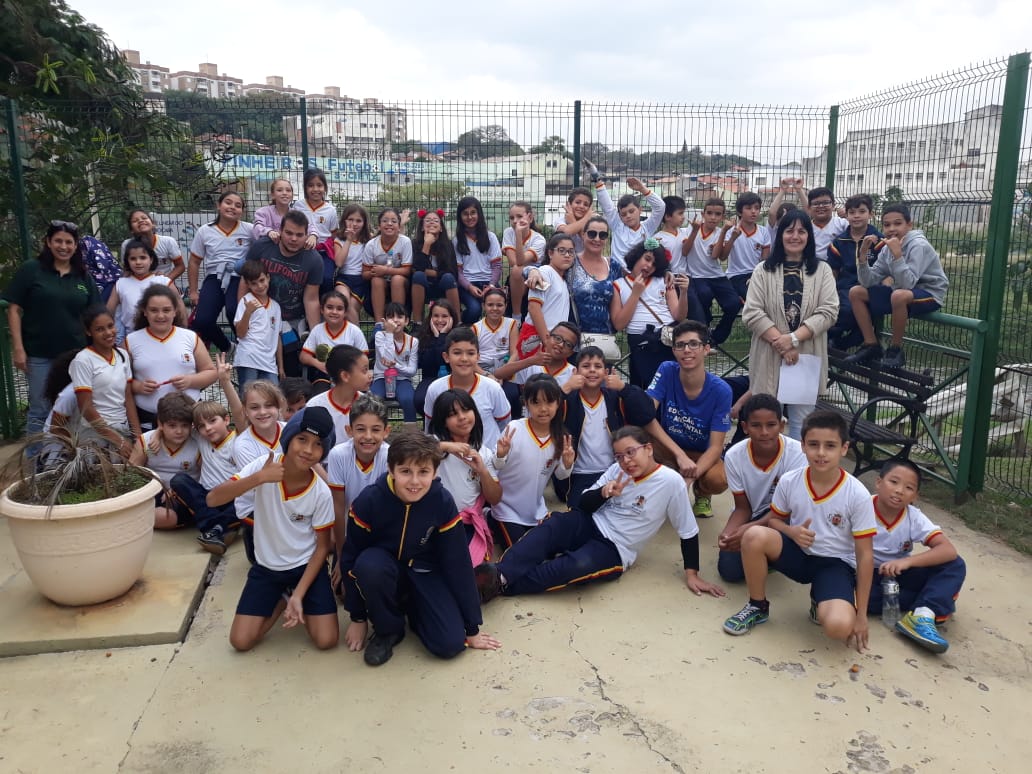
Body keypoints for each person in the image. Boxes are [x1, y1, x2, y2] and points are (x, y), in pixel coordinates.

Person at [475, 426, 725, 601]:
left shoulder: (671, 482)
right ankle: (499, 574)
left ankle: (502, 586)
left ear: (648, 449)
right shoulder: (617, 470)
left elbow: (688, 530)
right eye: (619, 456)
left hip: (616, 546)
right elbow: (584, 505)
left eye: (631, 452)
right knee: (555, 524)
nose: (626, 461)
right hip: (591, 522)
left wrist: (692, 573)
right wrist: (603, 493)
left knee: (574, 566)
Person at [339, 432, 501, 666]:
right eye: (405, 471)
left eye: (423, 472)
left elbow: (457, 563)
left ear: (435, 473)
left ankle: (416, 610)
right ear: (391, 469)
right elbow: (350, 558)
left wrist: (472, 627)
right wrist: (357, 617)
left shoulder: (441, 501)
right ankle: (388, 630)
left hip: (424, 572)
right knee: (369, 566)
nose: (414, 481)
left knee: (450, 644)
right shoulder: (369, 500)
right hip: (385, 570)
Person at [721, 411, 875, 653]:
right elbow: (774, 522)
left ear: (844, 449)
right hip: (798, 552)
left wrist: (862, 615)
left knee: (838, 627)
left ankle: (819, 599)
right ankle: (757, 605)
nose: (821, 452)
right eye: (813, 444)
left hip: (834, 564)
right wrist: (790, 531)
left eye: (830, 446)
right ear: (802, 446)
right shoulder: (790, 480)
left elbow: (865, 556)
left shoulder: (857, 494)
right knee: (753, 535)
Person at [208, 406, 339, 652]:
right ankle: (280, 599)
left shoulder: (320, 492)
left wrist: (300, 595)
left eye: (318, 444)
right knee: (241, 642)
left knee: (326, 640)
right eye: (302, 439)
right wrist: (259, 478)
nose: (308, 450)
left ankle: (294, 595)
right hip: (267, 568)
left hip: (305, 567)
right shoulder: (263, 465)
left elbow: (322, 548)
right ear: (288, 438)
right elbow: (213, 499)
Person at [742, 210, 838, 439]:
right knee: (766, 422)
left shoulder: (822, 270)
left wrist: (793, 339)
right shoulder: (762, 270)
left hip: (805, 355)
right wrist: (783, 345)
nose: (795, 236)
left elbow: (829, 311)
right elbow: (752, 312)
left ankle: (794, 464)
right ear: (780, 235)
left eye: (802, 231)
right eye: (789, 231)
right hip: (769, 354)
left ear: (809, 236)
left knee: (801, 424)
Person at [4, 220, 101, 435]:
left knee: (73, 405)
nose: (63, 246)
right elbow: (13, 309)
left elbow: (95, 315)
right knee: (40, 408)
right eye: (58, 241)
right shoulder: (32, 270)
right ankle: (36, 454)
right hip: (39, 353)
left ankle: (67, 452)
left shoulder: (83, 276)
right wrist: (18, 348)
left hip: (76, 356)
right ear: (48, 242)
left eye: (69, 242)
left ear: (75, 245)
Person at [868, 460, 966, 654]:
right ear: (878, 482)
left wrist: (907, 561)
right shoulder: (861, 507)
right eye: (893, 482)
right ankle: (933, 602)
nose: (899, 491)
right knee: (856, 599)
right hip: (863, 575)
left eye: (909, 488)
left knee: (954, 564)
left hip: (897, 574)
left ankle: (921, 616)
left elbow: (948, 550)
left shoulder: (913, 516)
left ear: (915, 496)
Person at [645, 320, 731, 518]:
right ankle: (657, 487)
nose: (687, 350)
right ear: (674, 350)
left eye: (694, 344)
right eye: (680, 345)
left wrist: (690, 479)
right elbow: (646, 414)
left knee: (719, 479)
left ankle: (702, 493)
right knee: (635, 436)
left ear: (706, 349)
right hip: (669, 447)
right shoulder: (667, 370)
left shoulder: (721, 390)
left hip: (701, 452)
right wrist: (679, 455)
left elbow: (716, 447)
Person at [846, 203, 948, 370]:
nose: (892, 229)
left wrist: (898, 256)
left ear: (909, 225)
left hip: (929, 293)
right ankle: (871, 345)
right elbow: (868, 282)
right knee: (856, 292)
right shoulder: (887, 248)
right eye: (887, 225)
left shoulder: (918, 245)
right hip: (900, 292)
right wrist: (862, 257)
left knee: (898, 295)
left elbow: (908, 284)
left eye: (898, 223)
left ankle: (895, 350)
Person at [717, 394, 807, 583]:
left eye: (771, 425)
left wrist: (750, 528)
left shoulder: (798, 454)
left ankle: (770, 552)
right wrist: (729, 534)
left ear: (782, 426)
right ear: (745, 427)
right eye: (756, 425)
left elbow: (789, 510)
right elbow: (742, 508)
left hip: (788, 519)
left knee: (800, 548)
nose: (764, 432)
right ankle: (767, 554)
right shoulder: (734, 456)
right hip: (758, 515)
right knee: (729, 569)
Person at [559, 346, 655, 508]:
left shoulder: (615, 398)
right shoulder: (568, 400)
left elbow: (647, 412)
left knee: (626, 511)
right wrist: (566, 387)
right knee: (580, 512)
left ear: (606, 373)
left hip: (615, 469)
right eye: (586, 366)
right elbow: (545, 409)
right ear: (575, 371)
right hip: (579, 473)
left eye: (598, 366)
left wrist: (624, 387)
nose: (592, 370)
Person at [169, 358, 248, 555]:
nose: (208, 428)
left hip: (231, 496)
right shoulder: (201, 438)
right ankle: (220, 528)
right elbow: (180, 416)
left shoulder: (239, 438)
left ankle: (214, 529)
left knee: (248, 499)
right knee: (179, 480)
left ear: (226, 419)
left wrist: (224, 381)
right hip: (207, 497)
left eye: (213, 421)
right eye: (202, 426)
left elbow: (239, 412)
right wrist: (156, 434)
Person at [489, 374, 574, 547]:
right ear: (526, 404)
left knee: (551, 548)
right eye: (536, 402)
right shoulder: (514, 429)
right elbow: (495, 466)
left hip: (536, 510)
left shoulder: (560, 437)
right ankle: (488, 517)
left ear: (558, 403)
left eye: (549, 402)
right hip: (506, 509)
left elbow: (561, 475)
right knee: (519, 551)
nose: (543, 409)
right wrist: (500, 454)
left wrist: (567, 463)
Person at [242, 209, 324, 377]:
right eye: (289, 233)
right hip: (262, 315)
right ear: (280, 230)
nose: (293, 239)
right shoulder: (262, 247)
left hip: (293, 317)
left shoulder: (314, 259)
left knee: (292, 364)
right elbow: (245, 281)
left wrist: (316, 334)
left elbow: (311, 299)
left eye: (299, 235)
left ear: (307, 235)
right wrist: (243, 314)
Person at [126, 285, 218, 430]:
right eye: (154, 310)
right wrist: (138, 386)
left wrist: (190, 381)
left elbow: (211, 372)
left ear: (175, 311)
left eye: (166, 310)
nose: (160, 316)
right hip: (148, 421)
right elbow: (118, 381)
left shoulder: (190, 337)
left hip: (189, 418)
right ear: (144, 311)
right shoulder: (130, 341)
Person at [429, 389, 503, 566]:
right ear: (443, 422)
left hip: (465, 524)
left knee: (470, 566)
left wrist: (482, 471)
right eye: (452, 414)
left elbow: (495, 498)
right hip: (434, 523)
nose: (462, 417)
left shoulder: (483, 452)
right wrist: (446, 446)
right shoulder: (433, 446)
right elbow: (410, 450)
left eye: (466, 410)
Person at [611, 238, 689, 389]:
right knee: (645, 388)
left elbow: (679, 316)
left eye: (654, 264)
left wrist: (684, 293)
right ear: (637, 256)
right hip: (641, 343)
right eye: (647, 259)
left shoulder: (664, 280)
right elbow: (619, 324)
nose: (649, 266)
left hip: (667, 339)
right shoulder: (619, 284)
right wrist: (635, 294)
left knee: (672, 385)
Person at [422, 326, 512, 449]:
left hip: (488, 457)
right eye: (457, 353)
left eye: (470, 353)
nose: (464, 359)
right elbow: (430, 427)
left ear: (478, 357)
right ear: (446, 357)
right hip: (449, 455)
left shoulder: (493, 388)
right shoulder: (435, 389)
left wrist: (494, 453)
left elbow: (504, 424)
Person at [325, 394, 392, 558]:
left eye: (375, 430)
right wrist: (341, 554)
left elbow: (389, 508)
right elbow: (338, 507)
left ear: (386, 432)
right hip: (348, 532)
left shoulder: (390, 456)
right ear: (349, 430)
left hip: (381, 532)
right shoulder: (338, 455)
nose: (368, 436)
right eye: (361, 429)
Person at [187, 191, 253, 353]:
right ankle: (228, 347)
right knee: (202, 320)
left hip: (239, 278)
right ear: (218, 205)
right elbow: (194, 262)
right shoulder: (205, 230)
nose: (232, 207)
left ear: (242, 211)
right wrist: (193, 291)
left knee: (233, 311)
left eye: (238, 205)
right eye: (228, 202)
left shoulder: (249, 230)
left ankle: (247, 350)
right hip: (214, 277)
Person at [69, 306, 139, 457]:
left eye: (110, 326)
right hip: (95, 432)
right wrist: (117, 440)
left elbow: (128, 398)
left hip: (122, 428)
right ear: (89, 332)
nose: (108, 332)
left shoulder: (123, 355)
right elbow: (86, 407)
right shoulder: (83, 360)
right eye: (99, 329)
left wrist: (138, 437)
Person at [129, 391, 200, 528]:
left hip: (183, 497)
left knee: (166, 517)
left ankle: (134, 520)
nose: (179, 431)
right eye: (172, 425)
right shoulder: (147, 441)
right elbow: (132, 472)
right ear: (160, 424)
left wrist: (178, 491)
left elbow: (207, 477)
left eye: (185, 425)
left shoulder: (198, 442)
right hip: (154, 493)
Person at [827, 194, 884, 349]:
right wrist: (830, 291)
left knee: (856, 314)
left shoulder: (879, 241)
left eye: (862, 211)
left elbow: (886, 271)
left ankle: (835, 342)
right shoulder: (839, 241)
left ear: (871, 214)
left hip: (870, 288)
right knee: (841, 309)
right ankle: (833, 341)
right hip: (845, 287)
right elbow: (834, 270)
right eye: (852, 212)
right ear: (846, 215)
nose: (856, 216)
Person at [683, 198, 741, 346]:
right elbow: (685, 251)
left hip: (717, 276)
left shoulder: (721, 233)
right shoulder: (691, 229)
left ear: (722, 217)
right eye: (709, 213)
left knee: (734, 304)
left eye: (717, 214)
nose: (713, 217)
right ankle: (705, 329)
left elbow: (719, 256)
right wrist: (694, 230)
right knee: (704, 294)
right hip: (698, 276)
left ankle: (717, 336)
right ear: (703, 214)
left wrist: (729, 236)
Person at [108, 239, 182, 345]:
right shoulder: (121, 284)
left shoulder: (163, 281)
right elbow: (108, 312)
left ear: (151, 259)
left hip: (164, 338)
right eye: (133, 258)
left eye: (143, 258)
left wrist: (182, 333)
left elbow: (180, 310)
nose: (138, 262)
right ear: (127, 261)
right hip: (132, 339)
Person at [588, 166, 666, 262]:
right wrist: (597, 179)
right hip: (617, 270)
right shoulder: (617, 225)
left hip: (639, 270)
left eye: (631, 211)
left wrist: (642, 189)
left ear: (640, 210)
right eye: (623, 214)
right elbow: (607, 206)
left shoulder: (647, 227)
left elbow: (660, 207)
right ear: (620, 216)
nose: (628, 216)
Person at [520, 233, 576, 358]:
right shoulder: (545, 272)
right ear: (550, 253)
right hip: (538, 336)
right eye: (562, 251)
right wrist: (547, 341)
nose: (567, 255)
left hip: (554, 339)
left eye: (571, 252)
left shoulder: (564, 280)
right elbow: (534, 308)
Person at [653, 195, 706, 323]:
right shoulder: (658, 238)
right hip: (668, 279)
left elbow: (685, 251)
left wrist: (694, 231)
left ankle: (703, 334)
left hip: (684, 278)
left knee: (697, 315)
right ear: (667, 216)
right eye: (680, 213)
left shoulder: (684, 233)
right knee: (673, 316)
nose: (683, 217)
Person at [305, 344, 373, 442]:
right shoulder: (315, 406)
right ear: (345, 376)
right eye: (364, 370)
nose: (370, 375)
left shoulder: (368, 405)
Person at [233, 260, 284, 389]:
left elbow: (277, 337)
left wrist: (281, 366)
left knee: (273, 397)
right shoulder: (246, 301)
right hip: (248, 359)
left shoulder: (276, 307)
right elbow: (240, 333)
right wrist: (248, 312)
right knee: (248, 396)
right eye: (254, 283)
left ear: (268, 277)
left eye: (262, 280)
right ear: (248, 284)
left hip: (269, 363)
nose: (260, 286)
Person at [453, 197, 503, 325]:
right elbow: (458, 271)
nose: (470, 217)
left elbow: (497, 266)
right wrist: (469, 287)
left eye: (473, 213)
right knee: (474, 310)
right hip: (467, 285)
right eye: (465, 214)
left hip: (489, 283)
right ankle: (462, 325)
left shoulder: (490, 237)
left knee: (498, 307)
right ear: (460, 217)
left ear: (479, 214)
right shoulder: (457, 240)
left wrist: (491, 286)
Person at [299, 290, 369, 381]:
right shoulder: (317, 330)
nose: (334, 312)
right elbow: (303, 356)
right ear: (322, 310)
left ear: (345, 312)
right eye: (329, 307)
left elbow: (364, 358)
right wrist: (318, 364)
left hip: (349, 377)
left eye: (339, 309)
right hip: (324, 376)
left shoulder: (355, 331)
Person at [369, 303, 419, 423]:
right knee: (374, 400)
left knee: (408, 399)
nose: (395, 320)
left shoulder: (413, 341)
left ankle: (411, 432)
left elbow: (412, 371)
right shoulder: (380, 336)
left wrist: (395, 365)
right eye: (391, 317)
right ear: (385, 321)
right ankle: (375, 429)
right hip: (381, 377)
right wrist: (389, 334)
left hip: (403, 379)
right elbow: (387, 358)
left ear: (406, 321)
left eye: (400, 317)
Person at [410, 208, 460, 326]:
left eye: (436, 220)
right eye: (428, 220)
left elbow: (452, 272)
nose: (432, 222)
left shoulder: (447, 245)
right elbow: (417, 269)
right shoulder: (415, 244)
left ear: (441, 228)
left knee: (448, 278)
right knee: (418, 275)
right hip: (423, 286)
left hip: (443, 285)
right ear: (422, 227)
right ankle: (417, 323)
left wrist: (433, 273)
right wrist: (427, 244)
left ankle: (457, 322)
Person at [495, 321, 580, 389]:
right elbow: (498, 374)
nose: (561, 345)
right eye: (558, 338)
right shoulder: (533, 364)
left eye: (568, 344)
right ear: (547, 337)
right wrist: (531, 361)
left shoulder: (573, 372)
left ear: (571, 353)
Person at [362, 208, 412, 322]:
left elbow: (407, 270)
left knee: (397, 279)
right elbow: (364, 274)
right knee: (376, 280)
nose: (389, 224)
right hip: (379, 283)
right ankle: (379, 323)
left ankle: (398, 321)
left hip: (400, 282)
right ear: (379, 226)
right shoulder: (371, 245)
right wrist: (375, 272)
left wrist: (386, 270)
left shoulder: (405, 242)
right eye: (385, 221)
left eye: (394, 221)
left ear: (399, 226)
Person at [720, 192, 771, 302]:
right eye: (748, 208)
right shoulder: (731, 231)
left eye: (756, 208)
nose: (753, 211)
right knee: (751, 298)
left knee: (768, 296)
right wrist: (733, 238)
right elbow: (723, 257)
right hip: (736, 275)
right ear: (739, 211)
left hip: (756, 274)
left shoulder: (763, 232)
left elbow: (764, 259)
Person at [413, 300, 460, 416]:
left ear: (451, 318)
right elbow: (426, 363)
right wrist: (437, 337)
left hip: (453, 377)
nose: (440, 320)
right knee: (420, 399)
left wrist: (442, 336)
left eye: (444, 316)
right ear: (430, 317)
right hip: (430, 377)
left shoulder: (458, 335)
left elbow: (446, 362)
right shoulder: (422, 336)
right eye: (436, 316)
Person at [502, 201, 547, 322]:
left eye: (519, 216)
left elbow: (520, 261)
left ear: (530, 217)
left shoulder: (539, 239)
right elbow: (513, 262)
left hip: (535, 276)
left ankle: (518, 316)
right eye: (512, 218)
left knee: (517, 269)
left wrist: (518, 234)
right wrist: (517, 234)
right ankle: (516, 316)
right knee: (517, 270)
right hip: (517, 277)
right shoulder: (508, 232)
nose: (515, 221)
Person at [332, 203, 374, 325]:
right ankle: (357, 336)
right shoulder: (339, 240)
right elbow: (339, 262)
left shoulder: (369, 240)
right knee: (343, 302)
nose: (354, 224)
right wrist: (349, 240)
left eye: (358, 221)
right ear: (344, 220)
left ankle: (353, 335)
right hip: (344, 279)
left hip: (360, 280)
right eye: (350, 219)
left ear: (364, 223)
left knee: (351, 309)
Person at [121, 209, 185, 282]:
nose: (141, 221)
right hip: (137, 283)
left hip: (163, 284)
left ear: (153, 224)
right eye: (135, 221)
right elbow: (126, 269)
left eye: (144, 218)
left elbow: (180, 266)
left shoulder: (168, 241)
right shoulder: (126, 245)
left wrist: (165, 280)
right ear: (131, 230)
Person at [252, 178, 317, 247]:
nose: (284, 193)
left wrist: (313, 235)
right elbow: (257, 228)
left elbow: (309, 226)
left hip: (291, 249)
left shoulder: (296, 214)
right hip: (269, 248)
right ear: (273, 195)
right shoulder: (263, 212)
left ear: (292, 195)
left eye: (288, 190)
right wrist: (269, 232)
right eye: (279, 190)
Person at [803, 185, 849, 263]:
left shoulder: (842, 224)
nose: (821, 206)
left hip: (838, 265)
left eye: (825, 203)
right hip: (812, 265)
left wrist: (849, 214)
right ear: (809, 207)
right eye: (816, 203)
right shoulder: (806, 227)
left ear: (833, 205)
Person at [290, 168, 338, 242]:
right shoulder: (298, 206)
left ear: (325, 187)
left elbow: (334, 234)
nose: (315, 189)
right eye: (311, 185)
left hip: (323, 247)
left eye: (319, 185)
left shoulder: (331, 210)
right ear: (305, 188)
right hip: (301, 245)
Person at [553, 186, 595, 253]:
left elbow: (589, 241)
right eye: (577, 202)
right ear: (569, 204)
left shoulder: (591, 223)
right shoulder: (561, 220)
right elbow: (567, 231)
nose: (581, 206)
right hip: (565, 257)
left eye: (586, 204)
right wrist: (586, 218)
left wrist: (573, 221)